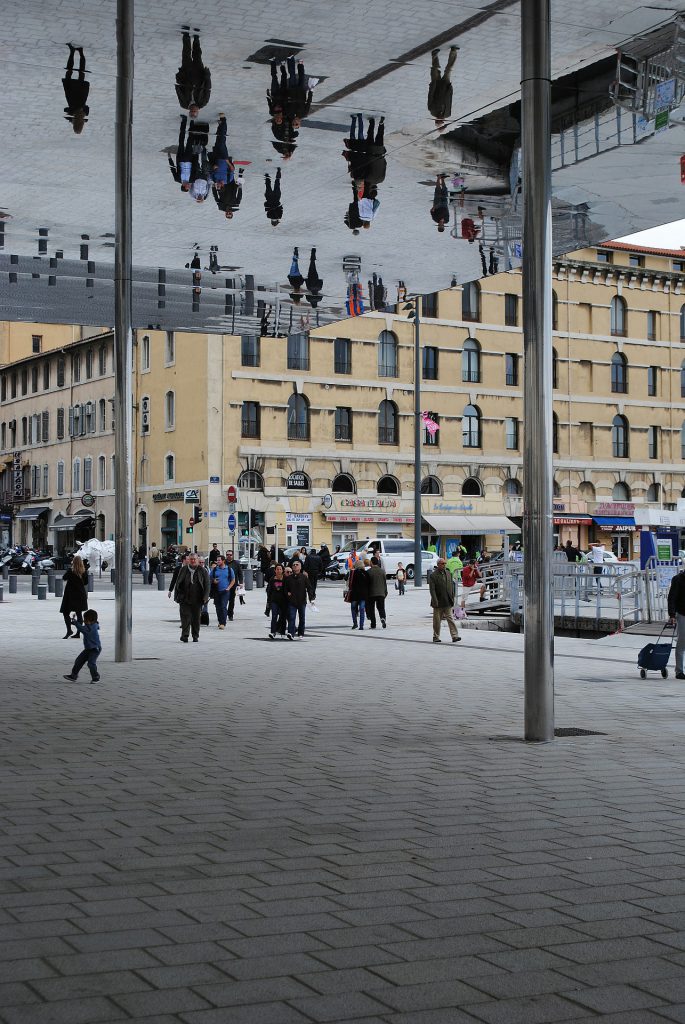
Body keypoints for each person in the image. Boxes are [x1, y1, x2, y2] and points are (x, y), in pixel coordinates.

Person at [173, 553, 210, 643]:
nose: (193, 561)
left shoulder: (202, 570)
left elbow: (207, 585)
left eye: (194, 559)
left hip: (198, 598)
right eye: (191, 559)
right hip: (184, 598)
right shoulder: (184, 569)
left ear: (197, 560)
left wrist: (205, 597)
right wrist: (176, 595)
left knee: (196, 619)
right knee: (185, 617)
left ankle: (195, 636)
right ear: (188, 560)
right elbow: (178, 583)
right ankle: (185, 635)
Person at [175, 31, 211, 115]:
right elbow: (208, 89)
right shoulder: (203, 102)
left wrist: (178, 80)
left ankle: (186, 37)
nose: (193, 110)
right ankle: (196, 39)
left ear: (189, 111)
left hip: (186, 75)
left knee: (186, 55)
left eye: (192, 111)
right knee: (197, 56)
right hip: (199, 75)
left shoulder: (183, 104)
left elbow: (179, 92)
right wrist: (207, 76)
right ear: (198, 111)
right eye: (195, 111)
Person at [63, 608, 101, 683]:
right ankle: (73, 675)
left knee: (91, 663)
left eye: (86, 620)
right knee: (78, 661)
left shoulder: (91, 628)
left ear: (92, 621)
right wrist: (75, 622)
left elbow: (83, 629)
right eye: (85, 620)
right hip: (88, 649)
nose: (85, 622)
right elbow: (83, 627)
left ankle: (95, 676)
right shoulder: (91, 625)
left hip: (95, 649)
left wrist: (75, 622)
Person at [430, 558, 461, 643]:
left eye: (445, 563)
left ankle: (455, 636)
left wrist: (452, 596)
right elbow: (432, 590)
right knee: (437, 621)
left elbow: (451, 586)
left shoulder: (448, 573)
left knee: (450, 619)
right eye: (443, 564)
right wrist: (435, 600)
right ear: (438, 565)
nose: (444, 565)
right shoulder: (433, 575)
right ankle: (436, 636)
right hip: (438, 602)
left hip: (447, 601)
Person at [427, 46, 459, 128]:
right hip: (446, 87)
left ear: (435, 120)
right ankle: (453, 51)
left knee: (435, 69)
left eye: (438, 121)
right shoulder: (448, 114)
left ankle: (434, 55)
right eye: (441, 121)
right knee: (449, 69)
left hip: (436, 85)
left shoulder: (431, 110)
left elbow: (430, 95)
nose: (440, 119)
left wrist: (433, 85)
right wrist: (450, 89)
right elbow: (450, 101)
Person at [62, 43, 90, 134]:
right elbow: (66, 109)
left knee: (81, 73)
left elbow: (86, 107)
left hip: (81, 94)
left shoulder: (85, 116)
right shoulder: (72, 116)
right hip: (71, 94)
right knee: (69, 72)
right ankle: (72, 52)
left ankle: (80, 52)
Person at [60, 555, 88, 638]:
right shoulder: (84, 571)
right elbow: (86, 583)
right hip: (80, 594)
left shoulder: (70, 571)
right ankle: (78, 633)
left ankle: (69, 630)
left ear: (73, 562)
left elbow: (64, 578)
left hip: (70, 595)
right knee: (79, 613)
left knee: (66, 612)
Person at [284, 559, 313, 639]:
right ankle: (291, 633)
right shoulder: (289, 578)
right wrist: (287, 594)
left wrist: (311, 598)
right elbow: (285, 589)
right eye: (294, 565)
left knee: (302, 618)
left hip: (301, 601)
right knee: (291, 617)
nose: (295, 566)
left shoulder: (304, 577)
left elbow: (309, 588)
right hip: (292, 601)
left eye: (297, 565)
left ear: (300, 567)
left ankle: (301, 633)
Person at [668, 570, 685, 680]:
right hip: (682, 614)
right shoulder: (678, 579)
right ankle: (679, 671)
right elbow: (672, 598)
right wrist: (672, 615)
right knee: (682, 642)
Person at [210, 555, 234, 629]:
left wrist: (228, 588)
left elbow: (233, 580)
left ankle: (223, 623)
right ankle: (220, 621)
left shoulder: (229, 569)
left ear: (223, 561)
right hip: (216, 591)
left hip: (225, 591)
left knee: (223, 606)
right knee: (218, 607)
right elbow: (209, 578)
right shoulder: (214, 570)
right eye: (217, 560)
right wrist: (213, 581)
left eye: (219, 560)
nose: (218, 562)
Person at [266, 563, 288, 639]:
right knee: (274, 616)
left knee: (283, 617)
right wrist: (269, 601)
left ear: (282, 570)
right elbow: (269, 590)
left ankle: (282, 632)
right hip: (274, 601)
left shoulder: (285, 579)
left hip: (284, 601)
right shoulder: (272, 579)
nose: (278, 571)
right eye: (277, 569)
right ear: (275, 570)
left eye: (280, 569)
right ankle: (273, 632)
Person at [366, 556, 388, 629]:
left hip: (372, 593)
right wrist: (385, 592)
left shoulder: (369, 572)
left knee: (371, 609)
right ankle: (383, 618)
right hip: (381, 593)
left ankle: (373, 624)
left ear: (371, 562)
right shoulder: (382, 571)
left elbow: (367, 583)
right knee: (381, 608)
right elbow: (385, 582)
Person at [347, 559, 369, 630]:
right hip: (363, 594)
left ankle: (355, 623)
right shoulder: (366, 573)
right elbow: (369, 584)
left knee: (353, 608)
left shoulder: (353, 573)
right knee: (362, 609)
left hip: (354, 594)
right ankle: (361, 625)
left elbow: (348, 581)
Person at [225, 552, 243, 620]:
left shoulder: (236, 563)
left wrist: (241, 582)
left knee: (231, 600)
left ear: (232, 555)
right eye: (227, 555)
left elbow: (240, 574)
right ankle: (223, 613)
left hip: (233, 585)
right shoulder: (223, 563)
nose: (229, 556)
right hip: (224, 584)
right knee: (224, 600)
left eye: (230, 555)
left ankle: (230, 614)